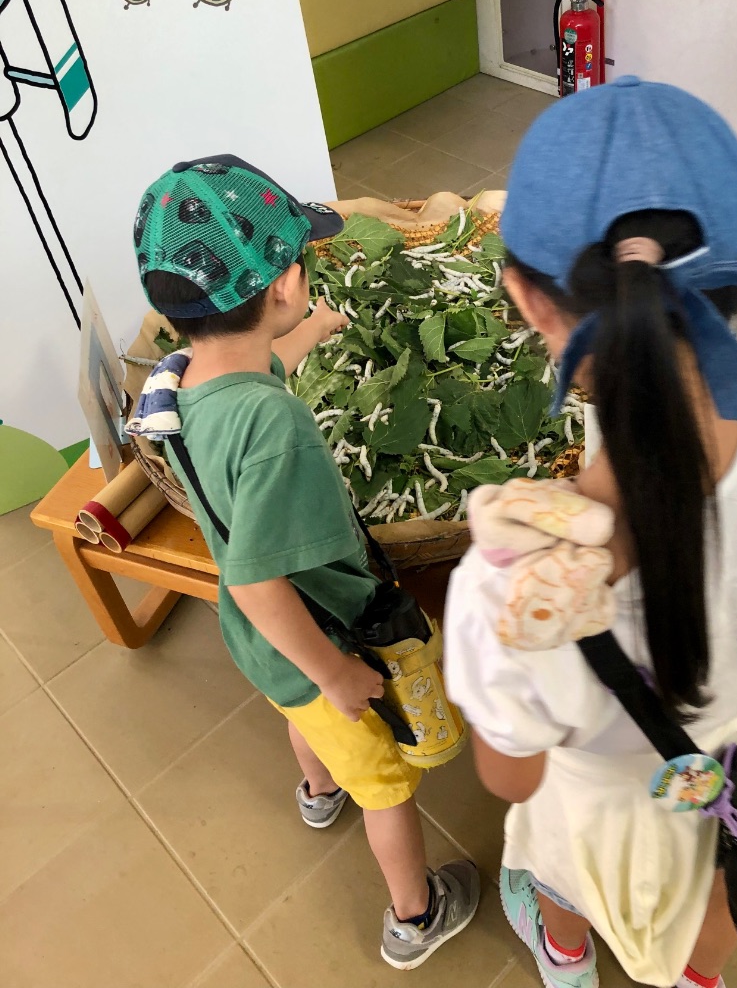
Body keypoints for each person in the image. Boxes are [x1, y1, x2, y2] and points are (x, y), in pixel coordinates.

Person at [443, 78, 737, 988]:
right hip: (732, 767)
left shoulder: (506, 586)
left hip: (595, 810)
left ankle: (565, 956)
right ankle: (693, 978)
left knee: (552, 866)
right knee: (713, 894)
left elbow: (515, 780)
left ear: (528, 301)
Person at [128, 155, 479, 970]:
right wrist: (336, 673)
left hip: (263, 648)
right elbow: (259, 582)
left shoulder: (183, 383)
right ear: (284, 285)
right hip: (321, 635)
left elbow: (254, 373)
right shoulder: (274, 426)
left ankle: (318, 793)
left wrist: (316, 329)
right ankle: (415, 914)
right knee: (387, 787)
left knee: (303, 720)